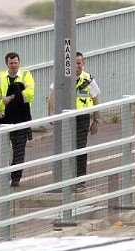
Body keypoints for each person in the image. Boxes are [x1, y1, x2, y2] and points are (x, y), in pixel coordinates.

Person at [48, 51, 101, 191]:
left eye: (79, 63)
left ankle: (80, 179)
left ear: (83, 63)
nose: (76, 66)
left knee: (80, 148)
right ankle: (63, 179)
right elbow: (52, 96)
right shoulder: (63, 77)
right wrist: (51, 113)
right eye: (74, 63)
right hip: (66, 118)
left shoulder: (88, 79)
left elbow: (96, 100)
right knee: (63, 147)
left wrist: (96, 120)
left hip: (82, 118)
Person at [0, 52, 35, 187]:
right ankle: (3, 175)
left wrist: (12, 97)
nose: (13, 65)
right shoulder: (0, 77)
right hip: (4, 117)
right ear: (6, 64)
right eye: (11, 63)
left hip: (21, 117)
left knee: (19, 149)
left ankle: (15, 177)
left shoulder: (26, 75)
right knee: (1, 148)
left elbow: (30, 94)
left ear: (19, 63)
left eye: (16, 63)